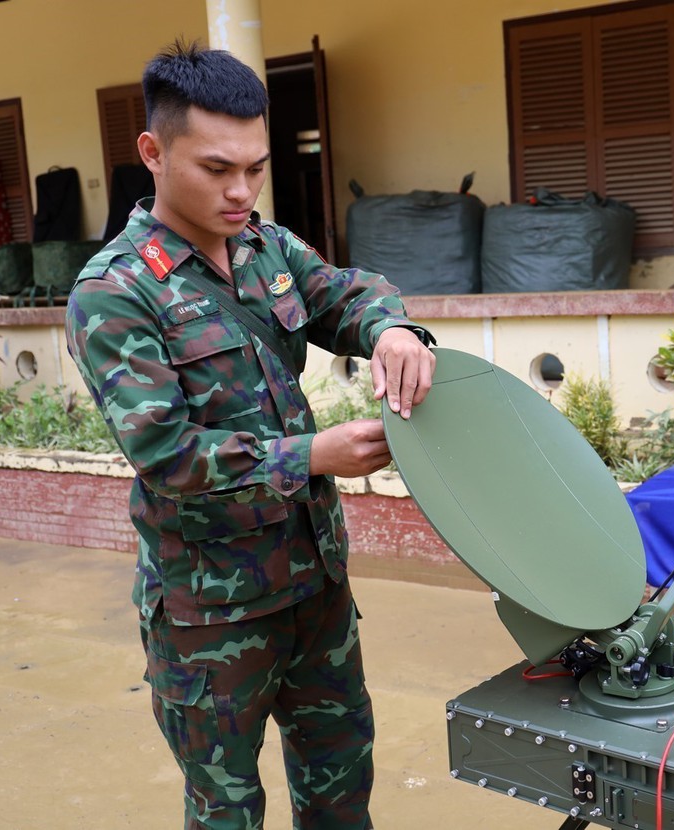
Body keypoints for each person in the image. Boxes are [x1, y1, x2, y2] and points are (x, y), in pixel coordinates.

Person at [66, 40, 435, 829]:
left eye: (256, 168)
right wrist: (314, 455)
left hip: (315, 588)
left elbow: (344, 295)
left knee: (342, 790)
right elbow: (164, 453)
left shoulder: (265, 248)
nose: (241, 191)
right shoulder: (115, 293)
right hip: (212, 614)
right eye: (216, 169)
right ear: (152, 153)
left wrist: (394, 331)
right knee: (226, 810)